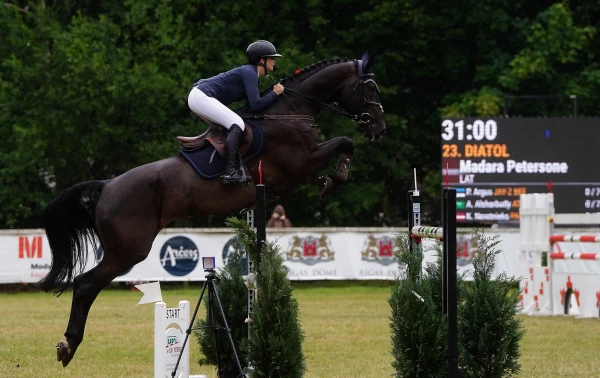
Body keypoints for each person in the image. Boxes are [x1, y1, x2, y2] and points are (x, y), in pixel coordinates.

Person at [188, 40, 285, 185]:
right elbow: (256, 105)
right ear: (261, 60)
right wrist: (274, 94)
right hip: (202, 96)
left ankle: (219, 166)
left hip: (200, 97)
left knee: (230, 126)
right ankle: (229, 173)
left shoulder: (251, 74)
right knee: (237, 124)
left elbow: (250, 108)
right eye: (272, 58)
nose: (275, 61)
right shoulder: (250, 72)